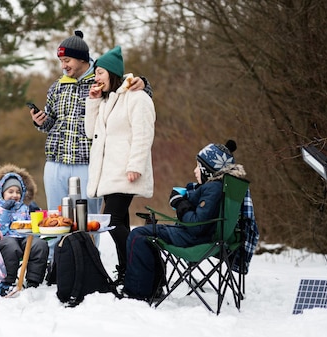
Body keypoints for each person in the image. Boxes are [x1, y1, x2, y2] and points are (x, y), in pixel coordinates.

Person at [29, 30, 152, 218]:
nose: (63, 65)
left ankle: (90, 248)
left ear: (81, 59)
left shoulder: (101, 81)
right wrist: (42, 122)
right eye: (61, 61)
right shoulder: (57, 86)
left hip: (86, 162)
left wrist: (144, 83)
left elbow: (126, 89)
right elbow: (52, 121)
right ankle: (57, 249)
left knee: (88, 220)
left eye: (67, 60)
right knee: (56, 218)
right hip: (56, 161)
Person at [123, 140, 260, 300]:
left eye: (198, 166)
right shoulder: (222, 187)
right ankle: (153, 286)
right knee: (148, 236)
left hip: (194, 239)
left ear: (208, 169)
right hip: (207, 237)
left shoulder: (212, 189)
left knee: (138, 236)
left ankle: (138, 292)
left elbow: (196, 224)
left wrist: (179, 203)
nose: (195, 171)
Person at [85, 45, 156, 284]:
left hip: (126, 172)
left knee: (113, 222)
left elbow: (143, 134)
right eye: (96, 73)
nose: (96, 77)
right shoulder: (107, 101)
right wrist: (93, 102)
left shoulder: (137, 98)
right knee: (119, 222)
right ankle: (127, 272)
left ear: (113, 73)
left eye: (100, 73)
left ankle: (140, 269)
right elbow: (90, 132)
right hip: (109, 174)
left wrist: (136, 164)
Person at [0, 164, 49, 288]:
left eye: (18, 192)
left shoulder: (24, 207)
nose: (15, 195)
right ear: (1, 193)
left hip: (25, 238)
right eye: (10, 192)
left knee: (39, 245)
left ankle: (33, 280)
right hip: (4, 239)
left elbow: (34, 228)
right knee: (11, 247)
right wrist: (5, 211)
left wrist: (36, 213)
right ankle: (7, 281)